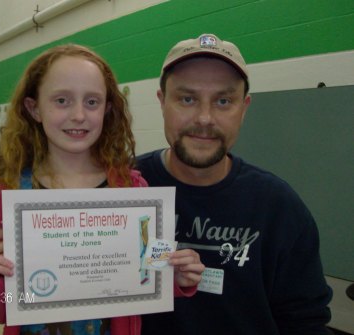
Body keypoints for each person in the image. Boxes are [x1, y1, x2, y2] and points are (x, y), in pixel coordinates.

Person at [0, 44, 205, 335]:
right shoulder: (6, 197)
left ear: (107, 109)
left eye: (92, 102)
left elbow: (152, 271)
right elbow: (0, 307)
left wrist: (177, 275)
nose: (78, 115)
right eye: (62, 100)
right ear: (34, 108)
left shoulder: (132, 188)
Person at [137, 33, 333, 334]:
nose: (204, 118)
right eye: (187, 99)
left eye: (224, 101)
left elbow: (306, 322)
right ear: (162, 102)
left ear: (244, 107)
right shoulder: (120, 187)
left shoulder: (278, 207)